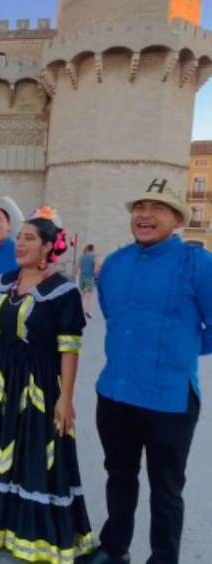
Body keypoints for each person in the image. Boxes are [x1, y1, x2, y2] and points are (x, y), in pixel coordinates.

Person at [0, 207, 96, 563]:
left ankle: (31, 533)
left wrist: (66, 398)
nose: (20, 244)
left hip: (40, 382)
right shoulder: (4, 281)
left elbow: (69, 347)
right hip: (2, 376)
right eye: (20, 238)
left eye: (29, 238)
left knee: (35, 450)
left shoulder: (62, 291)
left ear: (49, 247)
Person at [83, 179, 212, 564]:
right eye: (139, 207)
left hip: (169, 397)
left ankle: (163, 558)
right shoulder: (115, 264)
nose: (145, 215)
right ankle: (114, 548)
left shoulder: (198, 263)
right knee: (119, 477)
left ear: (176, 219)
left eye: (157, 208)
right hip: (115, 394)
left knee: (166, 488)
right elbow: (114, 316)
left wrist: (178, 350)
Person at [76, 244, 98, 319]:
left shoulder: (82, 257)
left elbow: (77, 267)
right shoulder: (94, 257)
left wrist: (75, 275)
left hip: (81, 278)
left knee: (83, 293)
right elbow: (96, 269)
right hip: (89, 278)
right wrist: (96, 275)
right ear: (92, 250)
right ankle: (88, 311)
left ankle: (80, 309)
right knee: (89, 296)